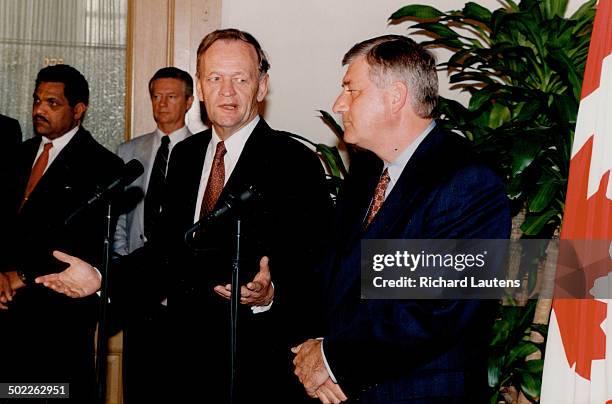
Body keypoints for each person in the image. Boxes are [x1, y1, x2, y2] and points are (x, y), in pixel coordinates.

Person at [39, 29, 332, 403]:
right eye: (215, 79)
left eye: (240, 79)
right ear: (201, 88)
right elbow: (165, 253)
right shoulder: (185, 155)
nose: (227, 92)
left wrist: (269, 295)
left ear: (261, 86)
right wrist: (100, 278)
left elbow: (318, 269)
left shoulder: (295, 163)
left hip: (253, 369)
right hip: (179, 362)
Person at [291, 35, 511, 403]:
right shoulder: (365, 173)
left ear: (395, 97)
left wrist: (332, 359)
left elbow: (434, 309)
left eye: (351, 90)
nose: (339, 104)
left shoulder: (467, 181)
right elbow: (337, 276)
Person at [0, 64, 123, 402]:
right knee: (11, 394)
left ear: (78, 110)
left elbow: (83, 243)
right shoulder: (15, 155)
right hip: (7, 316)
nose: (39, 110)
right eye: (37, 100)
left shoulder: (103, 166)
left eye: (52, 103)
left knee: (53, 395)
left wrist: (21, 275)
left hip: (56, 322)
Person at [112, 66, 194, 402]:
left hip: (182, 291)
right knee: (138, 381)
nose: (162, 104)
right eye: (156, 96)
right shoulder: (129, 151)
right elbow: (119, 216)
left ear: (189, 102)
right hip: (138, 287)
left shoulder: (202, 152)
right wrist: (123, 263)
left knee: (178, 381)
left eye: (171, 97)